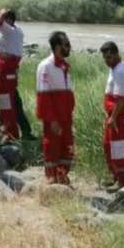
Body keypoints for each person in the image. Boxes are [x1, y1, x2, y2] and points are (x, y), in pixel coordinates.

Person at [36, 31, 75, 185]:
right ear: (57, 47)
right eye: (67, 44)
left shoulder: (64, 66)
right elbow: (43, 96)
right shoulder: (46, 66)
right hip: (54, 117)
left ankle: (62, 174)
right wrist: (51, 119)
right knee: (52, 146)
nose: (69, 47)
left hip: (66, 116)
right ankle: (51, 177)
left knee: (68, 146)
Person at [100, 41, 124, 192]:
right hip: (113, 116)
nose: (107, 61)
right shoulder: (114, 68)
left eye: (109, 57)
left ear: (116, 54)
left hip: (119, 116)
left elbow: (121, 99)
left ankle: (123, 182)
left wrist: (113, 117)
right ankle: (115, 176)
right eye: (105, 58)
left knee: (118, 149)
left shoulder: (120, 71)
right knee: (108, 146)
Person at [0, 8, 27, 141]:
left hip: (5, 72)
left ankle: (11, 135)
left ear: (9, 21)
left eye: (4, 19)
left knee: (6, 104)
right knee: (10, 102)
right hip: (8, 72)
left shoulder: (9, 30)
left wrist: (1, 12)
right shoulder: (16, 30)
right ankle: (10, 129)